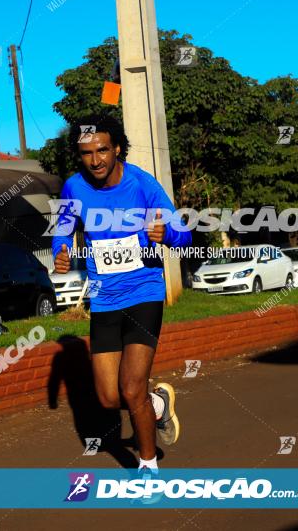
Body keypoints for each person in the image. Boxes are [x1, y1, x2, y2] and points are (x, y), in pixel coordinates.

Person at [51, 116, 192, 483]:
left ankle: (147, 467)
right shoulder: (73, 188)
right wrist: (62, 250)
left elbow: (183, 234)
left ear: (116, 148)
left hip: (144, 292)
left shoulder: (142, 185)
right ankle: (158, 403)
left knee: (132, 389)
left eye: (102, 150)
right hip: (104, 299)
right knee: (110, 399)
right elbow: (64, 229)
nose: (95, 160)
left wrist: (166, 234)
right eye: (87, 154)